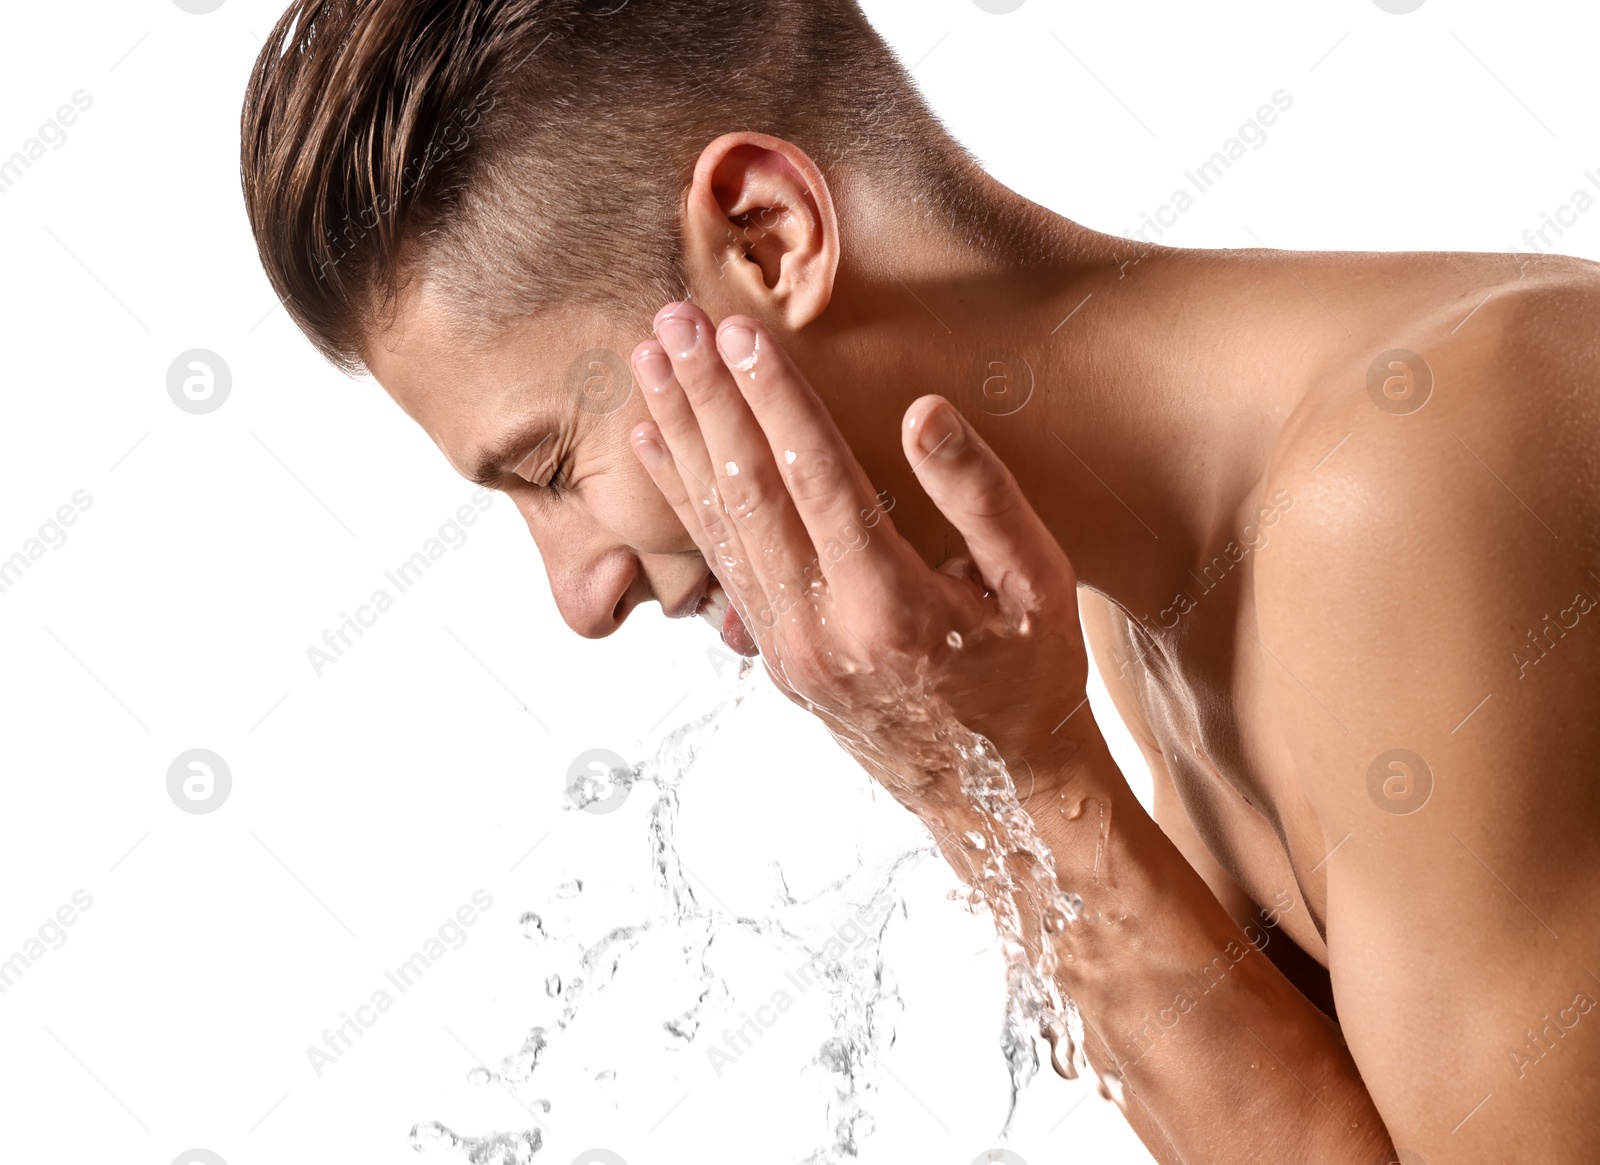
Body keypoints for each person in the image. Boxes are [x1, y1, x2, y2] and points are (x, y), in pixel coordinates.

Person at [240, 2, 1600, 1161]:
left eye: (546, 467)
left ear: (767, 239)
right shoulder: (1145, 610)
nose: (578, 595)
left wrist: (1015, 780)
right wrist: (991, 767)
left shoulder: (1410, 480)